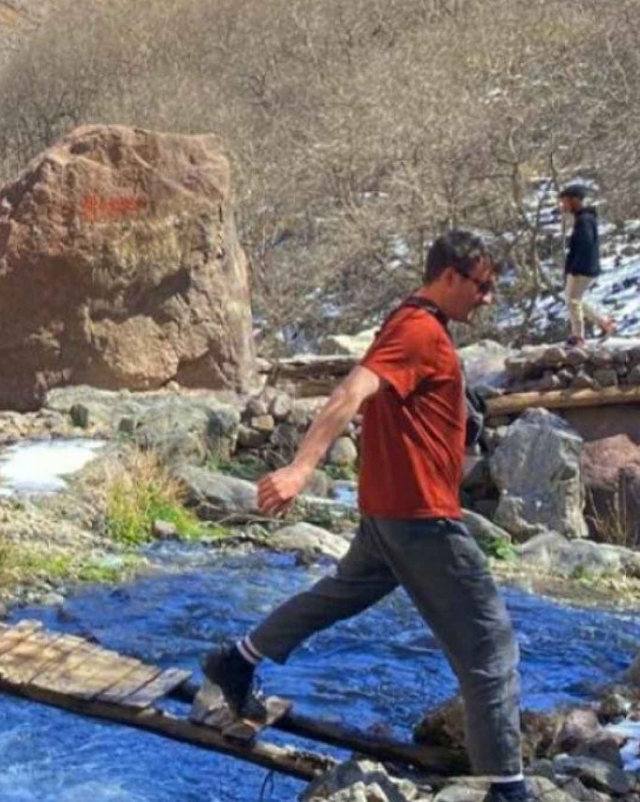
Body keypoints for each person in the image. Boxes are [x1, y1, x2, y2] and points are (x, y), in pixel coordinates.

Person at [201, 231, 529, 802]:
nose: (487, 298)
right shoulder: (418, 329)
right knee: (490, 647)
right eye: (483, 286)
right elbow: (348, 393)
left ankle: (236, 660)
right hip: (420, 518)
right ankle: (508, 787)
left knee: (338, 594)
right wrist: (302, 469)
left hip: (388, 513)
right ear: (449, 277)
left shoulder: (411, 320)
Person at [559, 183, 616, 346]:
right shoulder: (584, 219)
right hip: (585, 267)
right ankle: (605, 324)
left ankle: (578, 337)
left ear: (575, 200)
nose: (563, 205)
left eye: (565, 201)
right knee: (575, 299)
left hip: (582, 268)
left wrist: (575, 268)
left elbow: (586, 245)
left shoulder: (584, 220)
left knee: (573, 301)